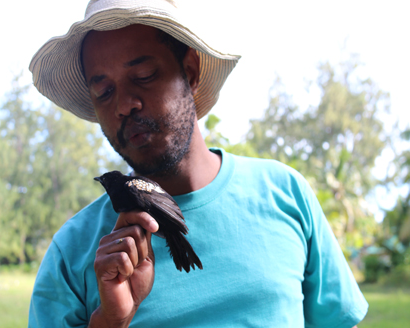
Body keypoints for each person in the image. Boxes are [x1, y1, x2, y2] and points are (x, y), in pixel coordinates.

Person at [28, 0, 368, 327]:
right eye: (103, 92)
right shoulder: (73, 251)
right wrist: (111, 322)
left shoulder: (285, 193)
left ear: (190, 72)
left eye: (143, 74)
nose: (124, 104)